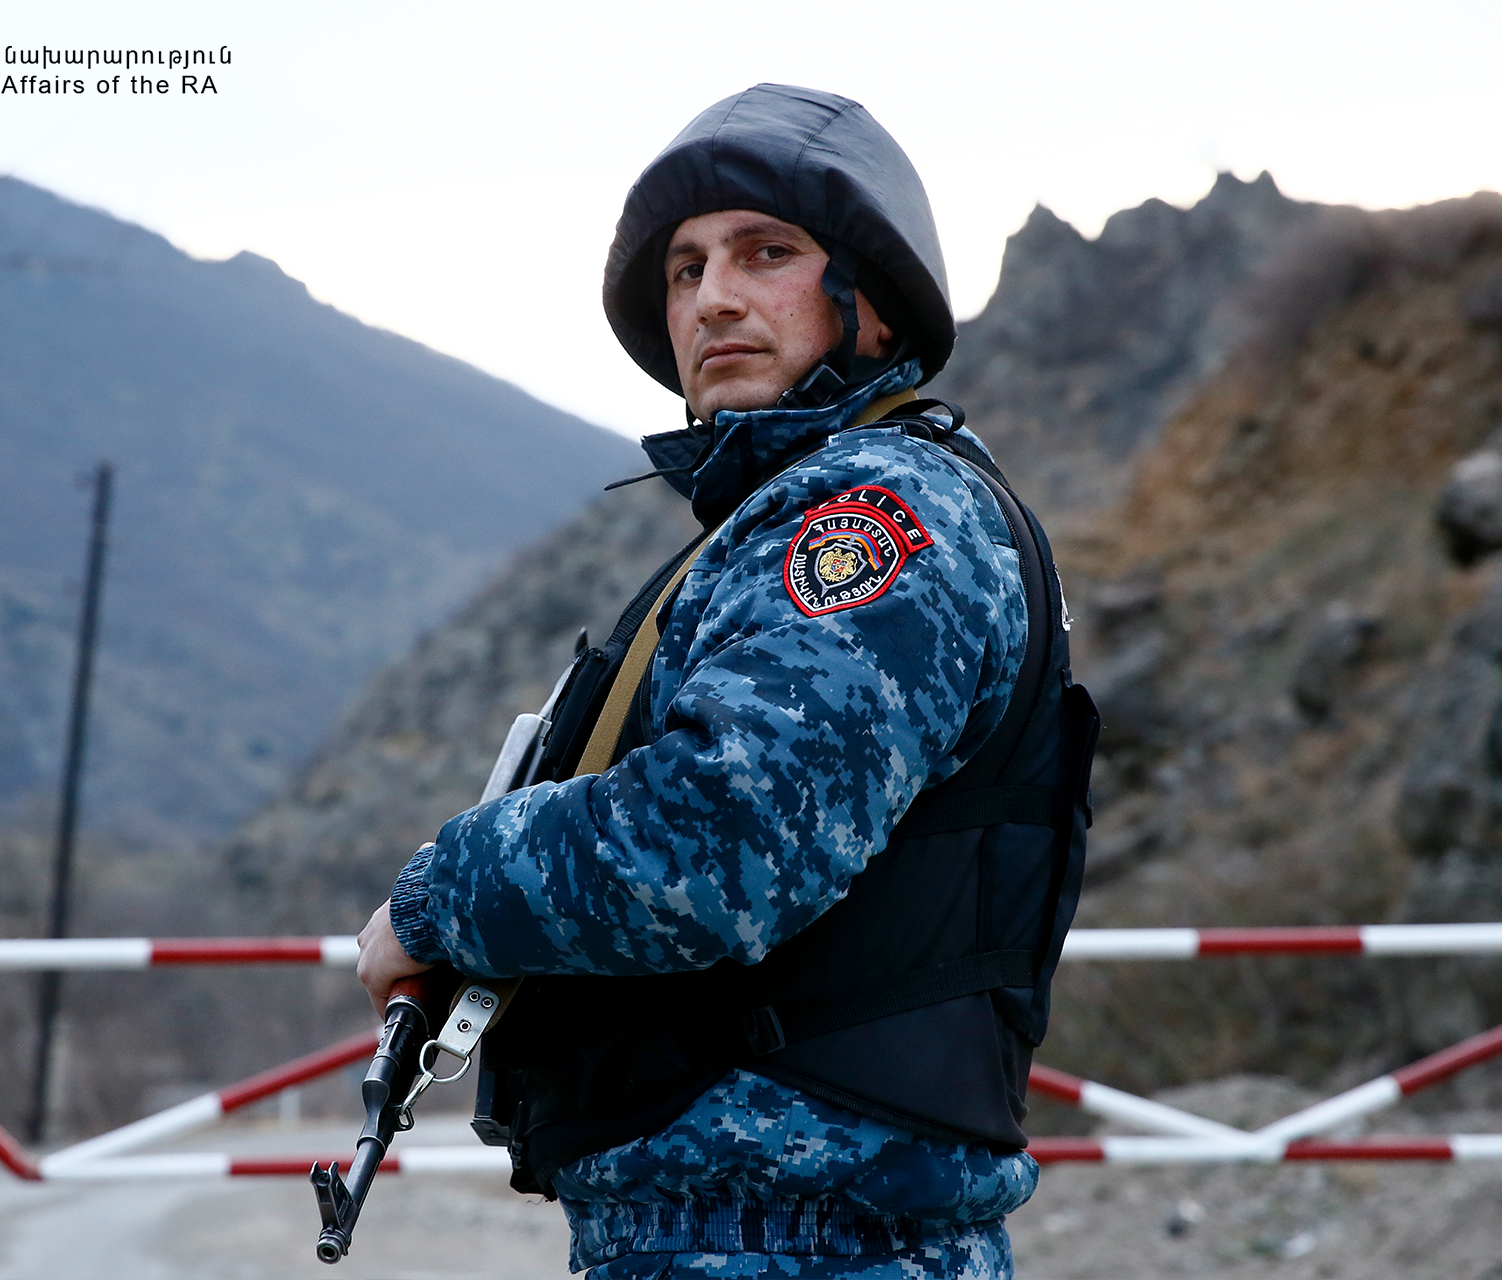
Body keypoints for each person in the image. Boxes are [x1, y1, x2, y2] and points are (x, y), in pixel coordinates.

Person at [357, 84, 1096, 1279]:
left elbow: (724, 836)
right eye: (686, 268)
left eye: (766, 253)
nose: (713, 297)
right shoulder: (778, 519)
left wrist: (438, 894)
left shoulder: (876, 510)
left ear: (872, 297)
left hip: (812, 1244)